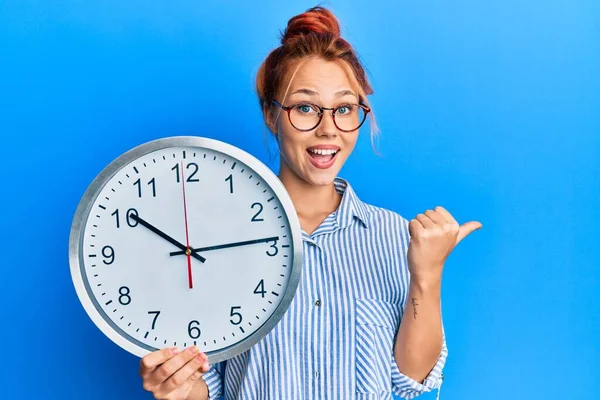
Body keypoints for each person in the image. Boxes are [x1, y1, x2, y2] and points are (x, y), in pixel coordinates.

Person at [139, 5, 482, 400]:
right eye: (305, 107)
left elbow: (409, 379)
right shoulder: (211, 240)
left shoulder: (395, 235)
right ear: (272, 114)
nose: (327, 129)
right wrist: (176, 384)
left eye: (343, 109)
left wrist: (426, 275)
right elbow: (208, 386)